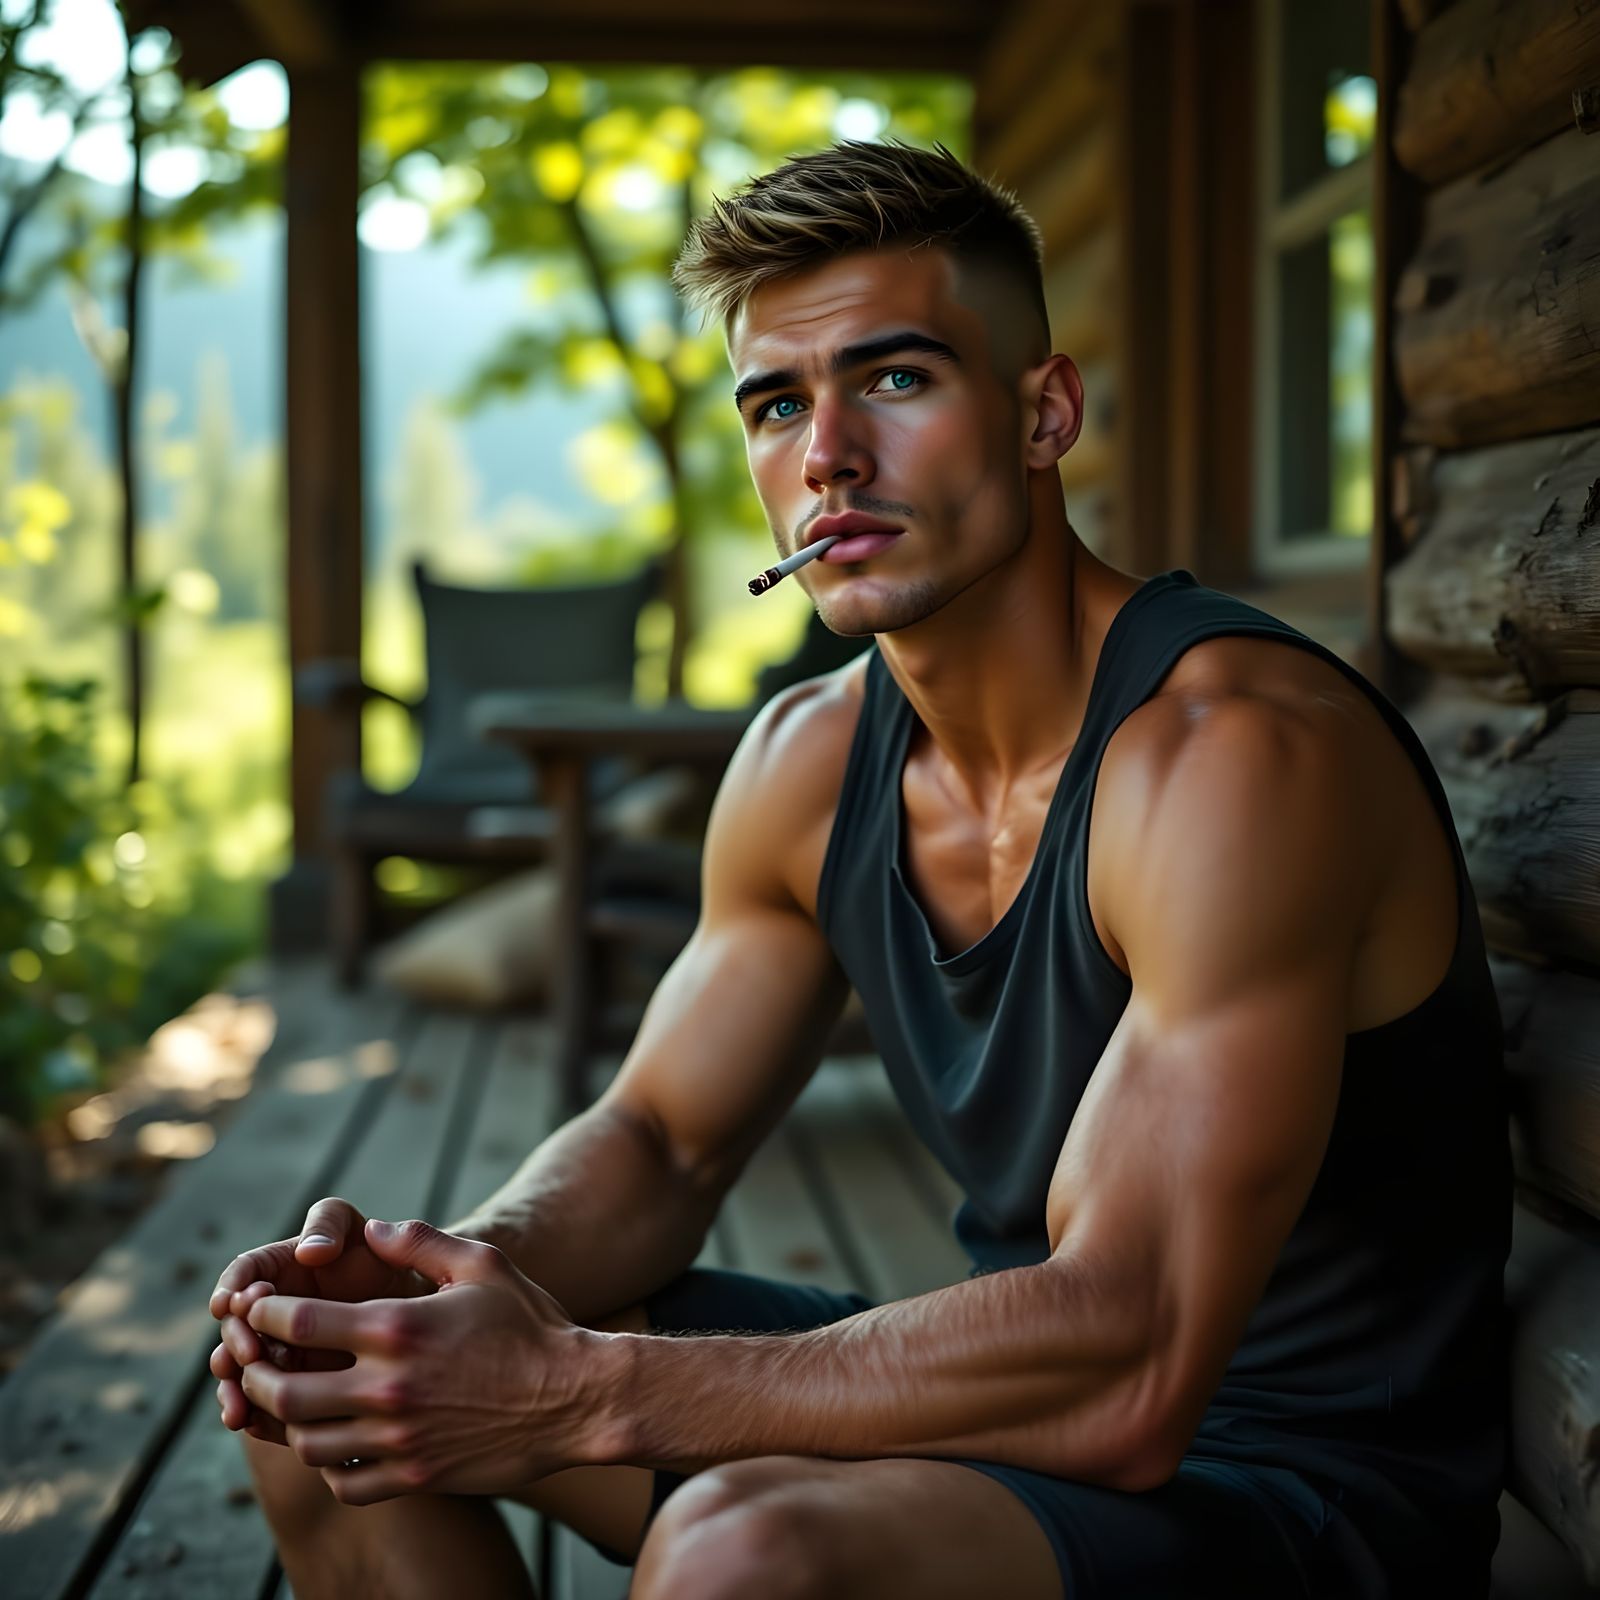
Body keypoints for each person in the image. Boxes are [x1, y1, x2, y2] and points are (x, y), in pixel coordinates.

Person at [207, 140, 1509, 1599]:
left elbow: (1133, 1356)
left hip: (1297, 1491)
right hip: (1024, 1420)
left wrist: (578, 1388)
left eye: (894, 379)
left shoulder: (1232, 760)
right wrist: (445, 1288)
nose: (826, 452)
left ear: (1043, 413)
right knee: (324, 1383)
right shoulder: (809, 767)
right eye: (777, 403)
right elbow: (658, 1140)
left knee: (741, 1554)